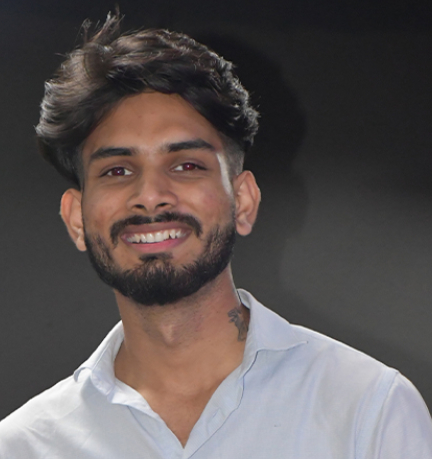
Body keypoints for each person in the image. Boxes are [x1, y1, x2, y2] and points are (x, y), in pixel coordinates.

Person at [1, 12, 431, 458]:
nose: (150, 196)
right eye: (117, 170)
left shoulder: (368, 412)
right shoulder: (25, 446)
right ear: (76, 219)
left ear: (242, 201)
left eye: (186, 165)